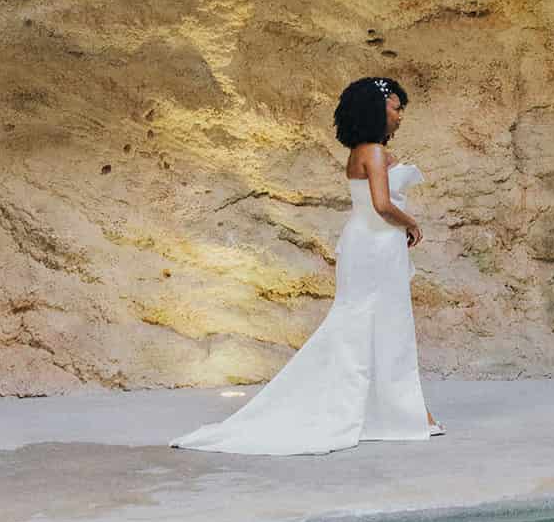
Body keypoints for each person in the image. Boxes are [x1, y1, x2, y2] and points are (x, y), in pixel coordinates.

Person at [175, 76, 443, 455]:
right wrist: (412, 223)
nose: (401, 116)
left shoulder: (359, 153)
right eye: (396, 108)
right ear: (376, 111)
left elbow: (374, 203)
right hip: (377, 245)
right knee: (386, 324)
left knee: (364, 323)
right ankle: (402, 414)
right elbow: (382, 205)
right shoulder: (375, 154)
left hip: (363, 243)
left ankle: (400, 412)